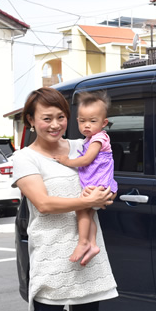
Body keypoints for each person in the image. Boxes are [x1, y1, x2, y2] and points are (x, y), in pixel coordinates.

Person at [11, 87, 124, 311]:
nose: (56, 124)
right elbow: (44, 204)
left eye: (61, 117)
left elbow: (103, 179)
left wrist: (106, 195)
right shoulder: (25, 158)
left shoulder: (80, 147)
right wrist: (90, 201)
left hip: (87, 245)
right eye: (47, 118)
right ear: (31, 121)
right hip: (52, 249)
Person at [54, 91, 118, 266]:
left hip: (100, 185)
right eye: (82, 121)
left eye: (92, 121)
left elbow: (87, 160)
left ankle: (83, 243)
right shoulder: (89, 139)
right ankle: (93, 244)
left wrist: (67, 161)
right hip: (100, 184)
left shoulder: (98, 138)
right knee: (88, 214)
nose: (86, 126)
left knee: (82, 210)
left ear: (104, 123)